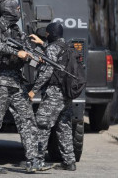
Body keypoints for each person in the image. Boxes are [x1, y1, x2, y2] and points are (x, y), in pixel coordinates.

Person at [0, 0, 45, 174]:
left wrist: (36, 56)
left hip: (17, 83)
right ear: (9, 11)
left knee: (27, 120)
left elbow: (27, 49)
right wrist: (16, 52)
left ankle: (33, 159)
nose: (19, 11)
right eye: (17, 9)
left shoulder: (17, 31)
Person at [28, 22, 77, 171]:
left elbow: (47, 72)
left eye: (47, 34)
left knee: (42, 124)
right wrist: (42, 43)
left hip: (54, 94)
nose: (46, 36)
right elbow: (55, 54)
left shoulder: (52, 48)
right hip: (66, 93)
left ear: (52, 34)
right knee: (64, 127)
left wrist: (33, 90)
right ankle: (69, 161)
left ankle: (38, 160)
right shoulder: (68, 47)